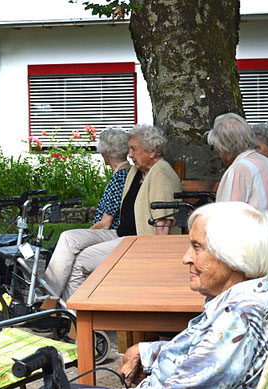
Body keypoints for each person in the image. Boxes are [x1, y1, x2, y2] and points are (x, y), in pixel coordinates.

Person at [118, 202, 268, 388]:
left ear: (233, 257)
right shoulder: (260, 293)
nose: (186, 258)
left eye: (197, 247)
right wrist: (145, 352)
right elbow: (199, 350)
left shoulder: (237, 320)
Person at [44, 124, 181, 302]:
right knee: (68, 238)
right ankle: (46, 297)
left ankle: (71, 316)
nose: (129, 155)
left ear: (152, 151)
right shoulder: (135, 172)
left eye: (133, 149)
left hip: (138, 242)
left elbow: (163, 223)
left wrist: (155, 264)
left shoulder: (161, 173)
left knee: (79, 261)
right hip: (119, 234)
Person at [207, 113, 268, 221]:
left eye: (218, 149)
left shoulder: (238, 170)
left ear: (226, 147)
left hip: (248, 235)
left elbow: (227, 217)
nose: (220, 154)